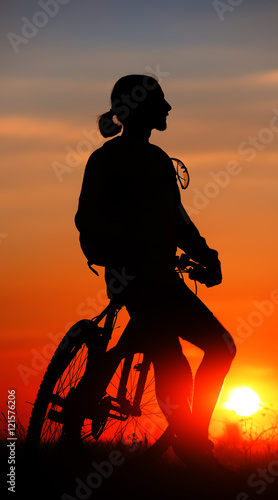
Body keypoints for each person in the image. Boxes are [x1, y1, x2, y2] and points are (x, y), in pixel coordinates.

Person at [74, 74, 236, 464]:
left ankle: (192, 434)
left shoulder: (160, 160)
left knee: (221, 347)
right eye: (160, 101)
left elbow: (177, 220)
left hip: (162, 279)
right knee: (174, 359)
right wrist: (126, 249)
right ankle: (193, 445)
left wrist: (205, 254)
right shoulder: (107, 160)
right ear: (141, 109)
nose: (167, 108)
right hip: (134, 279)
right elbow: (87, 220)